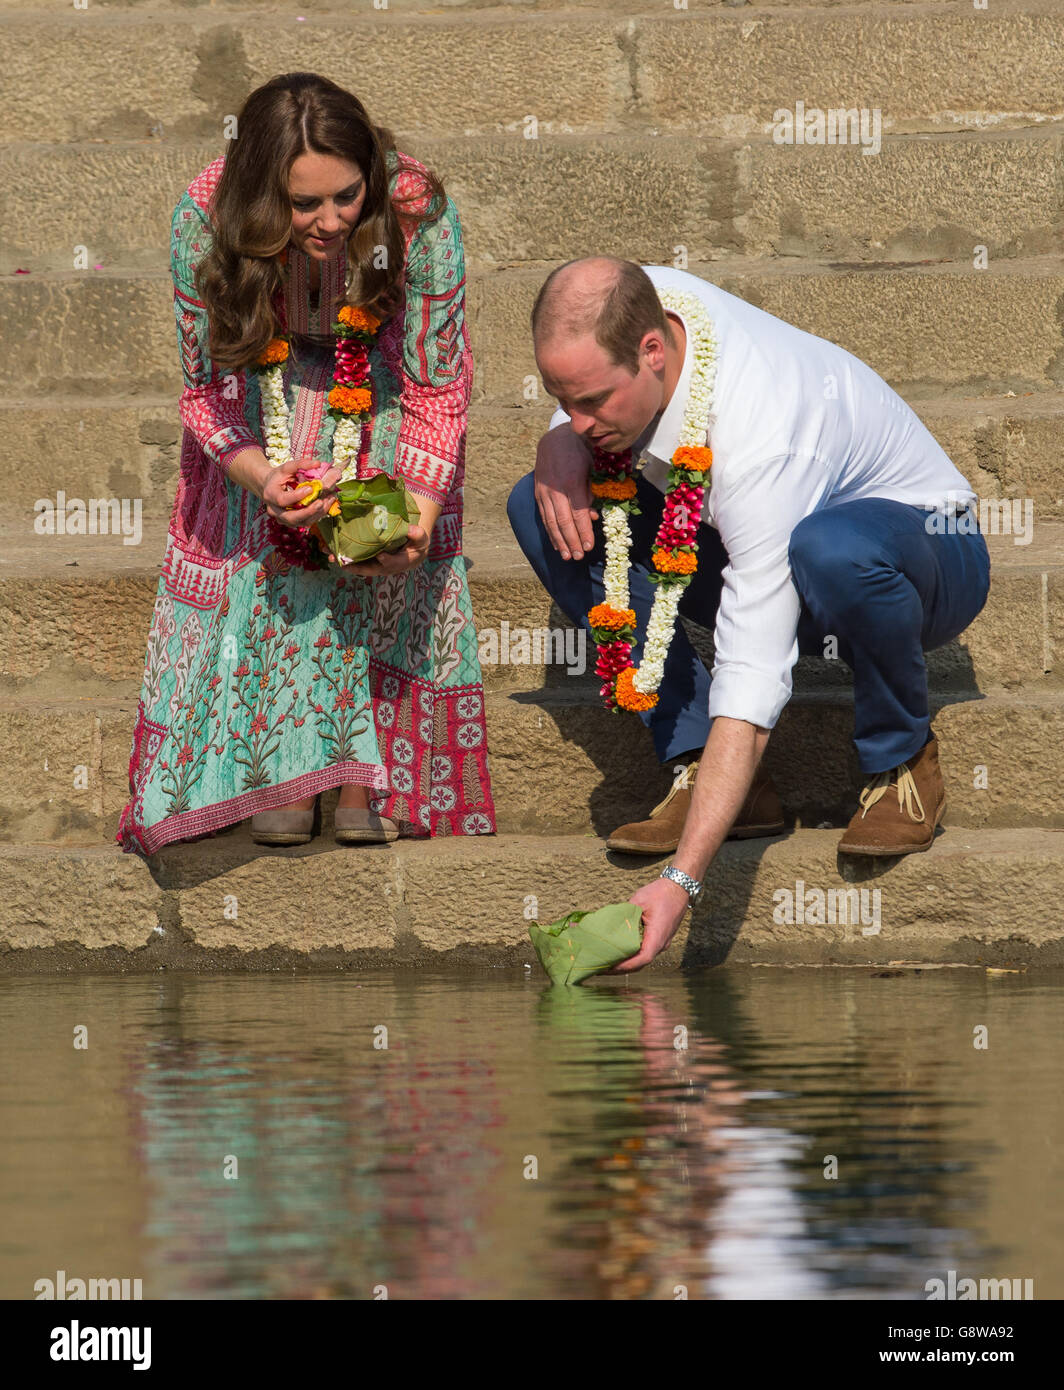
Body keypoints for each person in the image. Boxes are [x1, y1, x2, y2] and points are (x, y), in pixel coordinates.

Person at [507, 256, 990, 969]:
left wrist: (681, 881)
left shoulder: (765, 440)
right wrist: (557, 440)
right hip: (767, 543)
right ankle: (700, 760)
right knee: (536, 501)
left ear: (653, 354)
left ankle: (900, 760)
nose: (579, 421)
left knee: (829, 548)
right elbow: (581, 389)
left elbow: (753, 672)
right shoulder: (646, 297)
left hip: (922, 553)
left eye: (593, 403)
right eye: (560, 396)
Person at [117, 73, 496, 855]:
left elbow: (435, 385)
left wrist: (414, 523)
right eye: (303, 206)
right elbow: (207, 392)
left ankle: (362, 772)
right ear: (261, 200)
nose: (329, 223)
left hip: (383, 380)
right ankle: (280, 762)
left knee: (376, 494)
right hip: (259, 393)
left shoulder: (417, 212)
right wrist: (264, 478)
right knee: (294, 476)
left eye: (347, 197)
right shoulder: (204, 218)